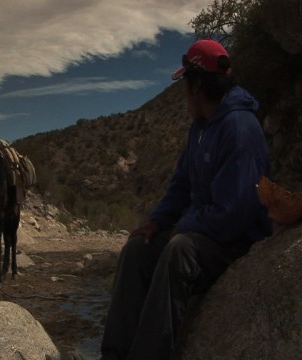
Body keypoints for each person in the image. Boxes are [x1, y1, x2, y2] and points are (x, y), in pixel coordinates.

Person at [98, 39, 273, 360]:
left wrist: (183, 228)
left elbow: (234, 214)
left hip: (236, 238)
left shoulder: (239, 128)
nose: (184, 95)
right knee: (138, 249)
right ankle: (114, 354)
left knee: (178, 251)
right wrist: (157, 221)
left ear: (198, 87)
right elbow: (181, 183)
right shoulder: (200, 128)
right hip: (205, 230)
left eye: (186, 85)